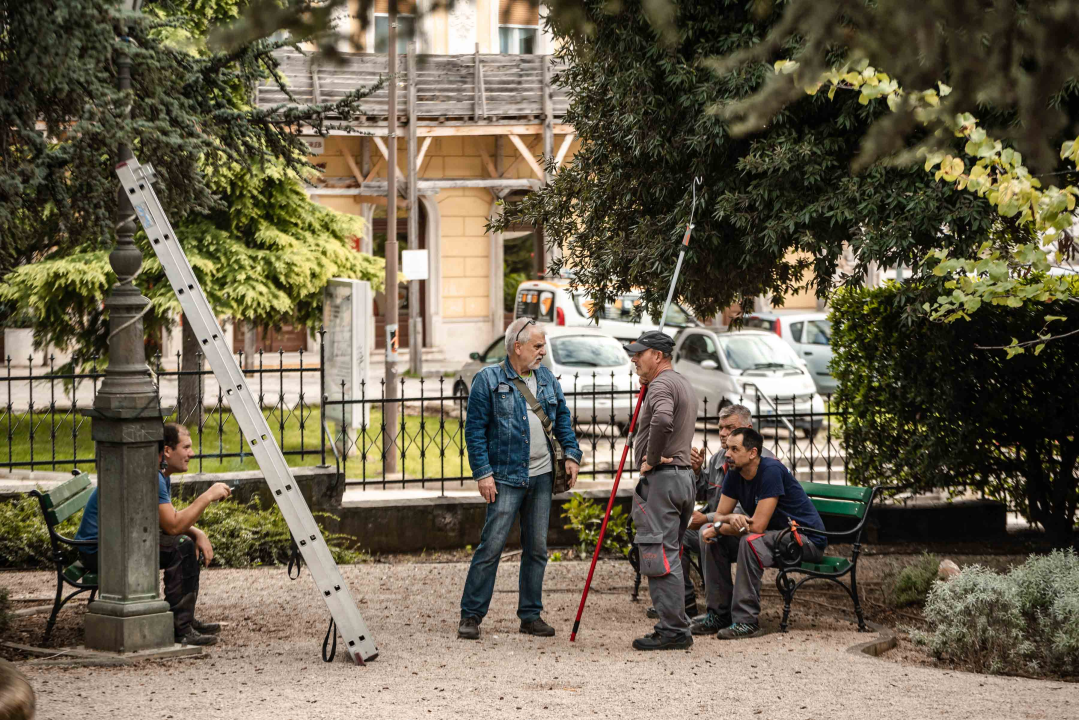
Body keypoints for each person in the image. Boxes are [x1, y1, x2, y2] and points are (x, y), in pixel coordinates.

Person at [458, 317, 582, 640]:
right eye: (537, 345)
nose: (543, 351)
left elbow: (563, 420)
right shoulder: (488, 380)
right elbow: (474, 433)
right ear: (517, 347)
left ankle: (530, 615)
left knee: (537, 549)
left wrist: (571, 454)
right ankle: (471, 615)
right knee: (491, 547)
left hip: (541, 477)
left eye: (543, 345)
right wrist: (483, 474)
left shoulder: (548, 381)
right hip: (505, 477)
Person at [74, 422, 232, 646]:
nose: (192, 453)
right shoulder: (151, 474)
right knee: (182, 545)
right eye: (186, 447)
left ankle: (184, 621)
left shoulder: (157, 471)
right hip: (101, 550)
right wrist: (207, 496)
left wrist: (198, 532)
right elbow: (173, 526)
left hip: (114, 543)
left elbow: (166, 519)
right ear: (167, 451)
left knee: (186, 541)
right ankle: (181, 628)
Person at [645, 404, 774, 622]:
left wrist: (707, 519)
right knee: (676, 532)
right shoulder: (719, 458)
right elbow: (707, 491)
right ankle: (682, 602)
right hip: (720, 526)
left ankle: (720, 612)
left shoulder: (761, 462)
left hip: (748, 532)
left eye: (730, 427)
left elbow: (747, 512)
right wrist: (696, 471)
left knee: (708, 532)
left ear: (749, 429)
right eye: (721, 427)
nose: (723, 433)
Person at [699, 427, 827, 639]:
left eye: (734, 449)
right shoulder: (734, 472)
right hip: (774, 536)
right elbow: (720, 515)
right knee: (712, 538)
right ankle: (719, 614)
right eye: (727, 448)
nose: (727, 453)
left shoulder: (770, 471)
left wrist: (720, 526)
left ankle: (746, 621)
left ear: (752, 453)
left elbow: (756, 527)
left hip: (805, 540)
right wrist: (728, 521)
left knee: (750, 541)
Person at [625, 330, 698, 651]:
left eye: (639, 354)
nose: (634, 359)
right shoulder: (680, 382)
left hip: (663, 480)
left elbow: (664, 419)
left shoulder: (662, 384)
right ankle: (677, 624)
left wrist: (650, 460)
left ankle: (672, 630)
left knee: (658, 555)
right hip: (682, 479)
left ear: (658, 355)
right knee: (671, 553)